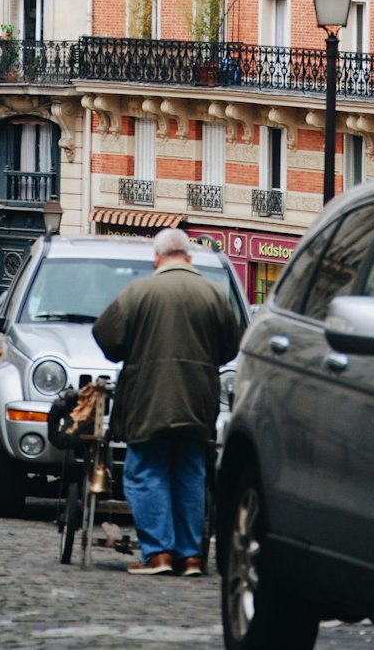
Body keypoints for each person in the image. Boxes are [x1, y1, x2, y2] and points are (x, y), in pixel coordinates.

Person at [92, 227, 242, 577]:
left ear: (156, 258)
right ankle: (190, 556)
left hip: (149, 396)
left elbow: (107, 338)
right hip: (198, 397)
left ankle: (158, 553)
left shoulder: (139, 291)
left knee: (145, 471)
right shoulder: (214, 294)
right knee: (191, 472)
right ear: (189, 257)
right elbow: (230, 347)